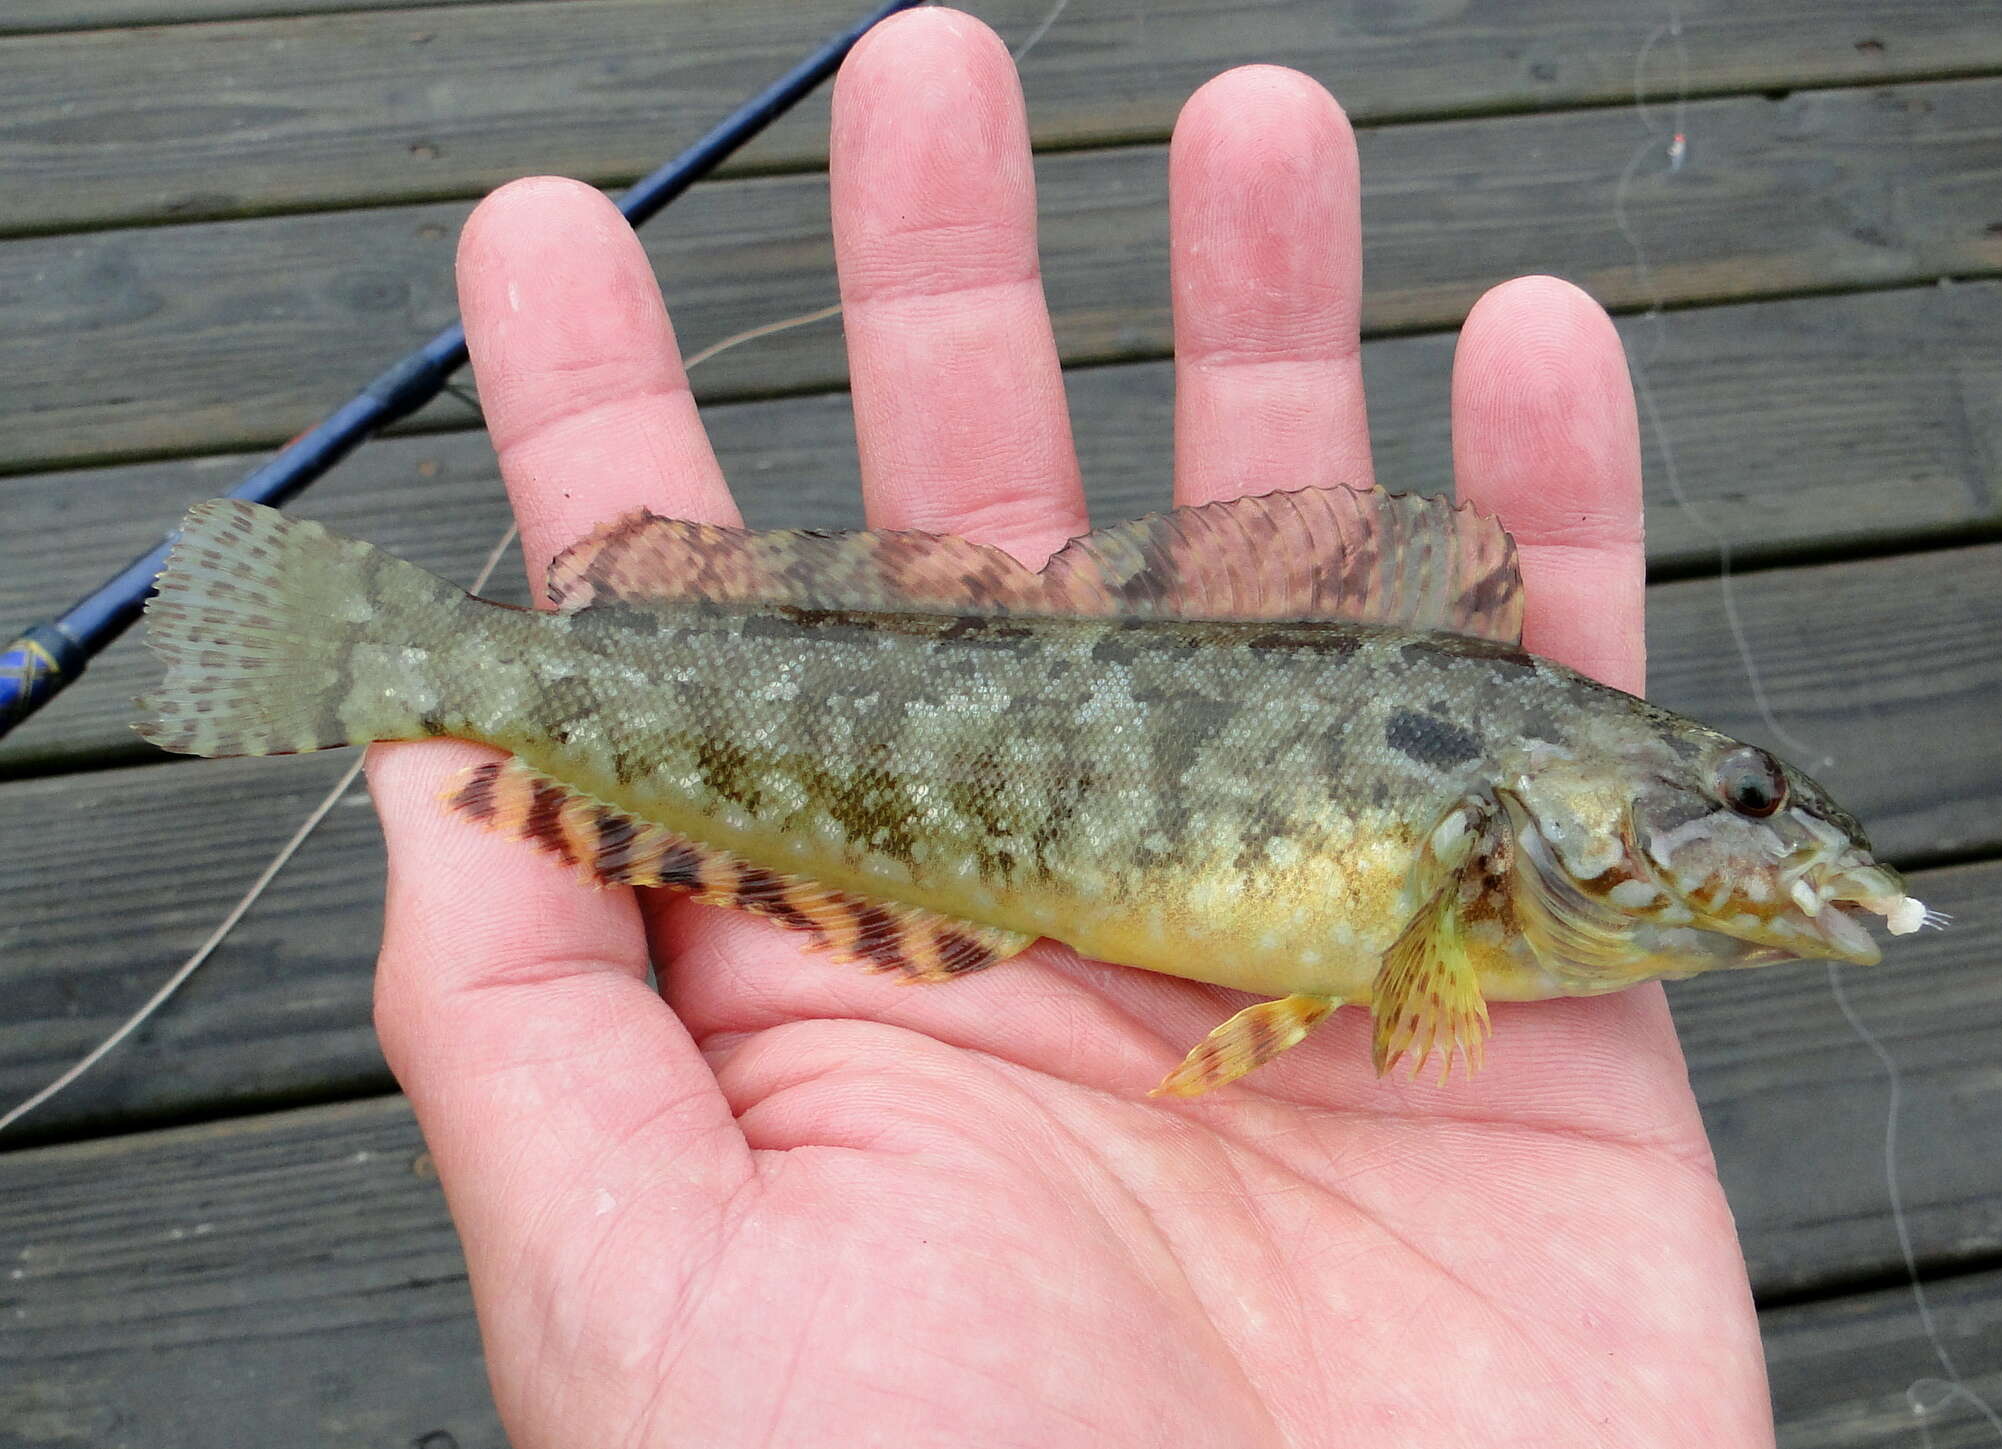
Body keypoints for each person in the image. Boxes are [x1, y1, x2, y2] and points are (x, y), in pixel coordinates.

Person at [364, 9, 1771, 1445]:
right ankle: (439, 671)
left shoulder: (1511, 895)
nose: (1745, 826)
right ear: (1549, 786)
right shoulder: (1498, 866)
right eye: (1744, 791)